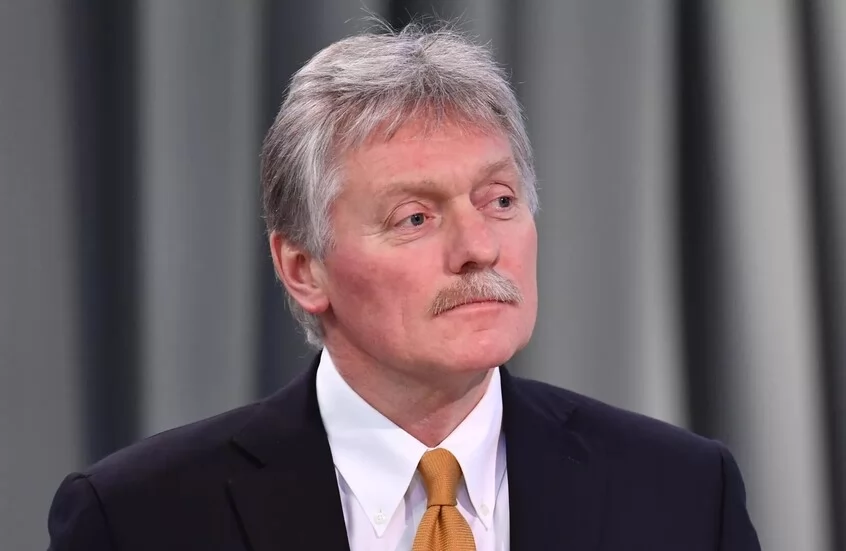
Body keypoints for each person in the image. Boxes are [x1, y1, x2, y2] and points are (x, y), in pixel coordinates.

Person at [47, 23, 761, 551]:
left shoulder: (684, 492)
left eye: (499, 200)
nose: (479, 248)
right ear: (303, 269)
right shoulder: (137, 518)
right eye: (415, 217)